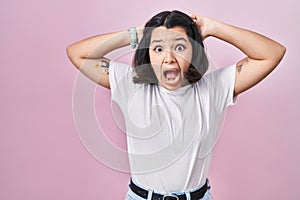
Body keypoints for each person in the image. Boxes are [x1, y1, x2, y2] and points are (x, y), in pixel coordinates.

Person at [66, 10, 285, 200]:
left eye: (180, 47)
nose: (169, 58)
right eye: (158, 49)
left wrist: (213, 28)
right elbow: (77, 53)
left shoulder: (214, 88)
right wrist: (135, 35)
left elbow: (271, 54)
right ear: (148, 54)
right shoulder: (131, 86)